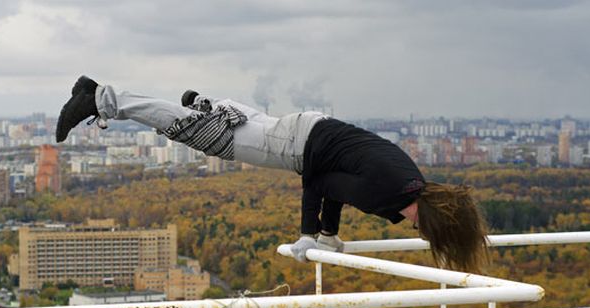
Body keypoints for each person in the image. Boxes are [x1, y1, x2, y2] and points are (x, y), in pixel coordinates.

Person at [56, 76, 489, 273]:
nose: (419, 235)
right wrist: (312, 235)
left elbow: (340, 174)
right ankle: (101, 99)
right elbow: (321, 181)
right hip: (297, 146)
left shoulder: (412, 180)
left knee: (250, 124)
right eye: (427, 233)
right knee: (203, 136)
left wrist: (327, 235)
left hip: (310, 127)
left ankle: (203, 100)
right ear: (429, 217)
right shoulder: (388, 196)